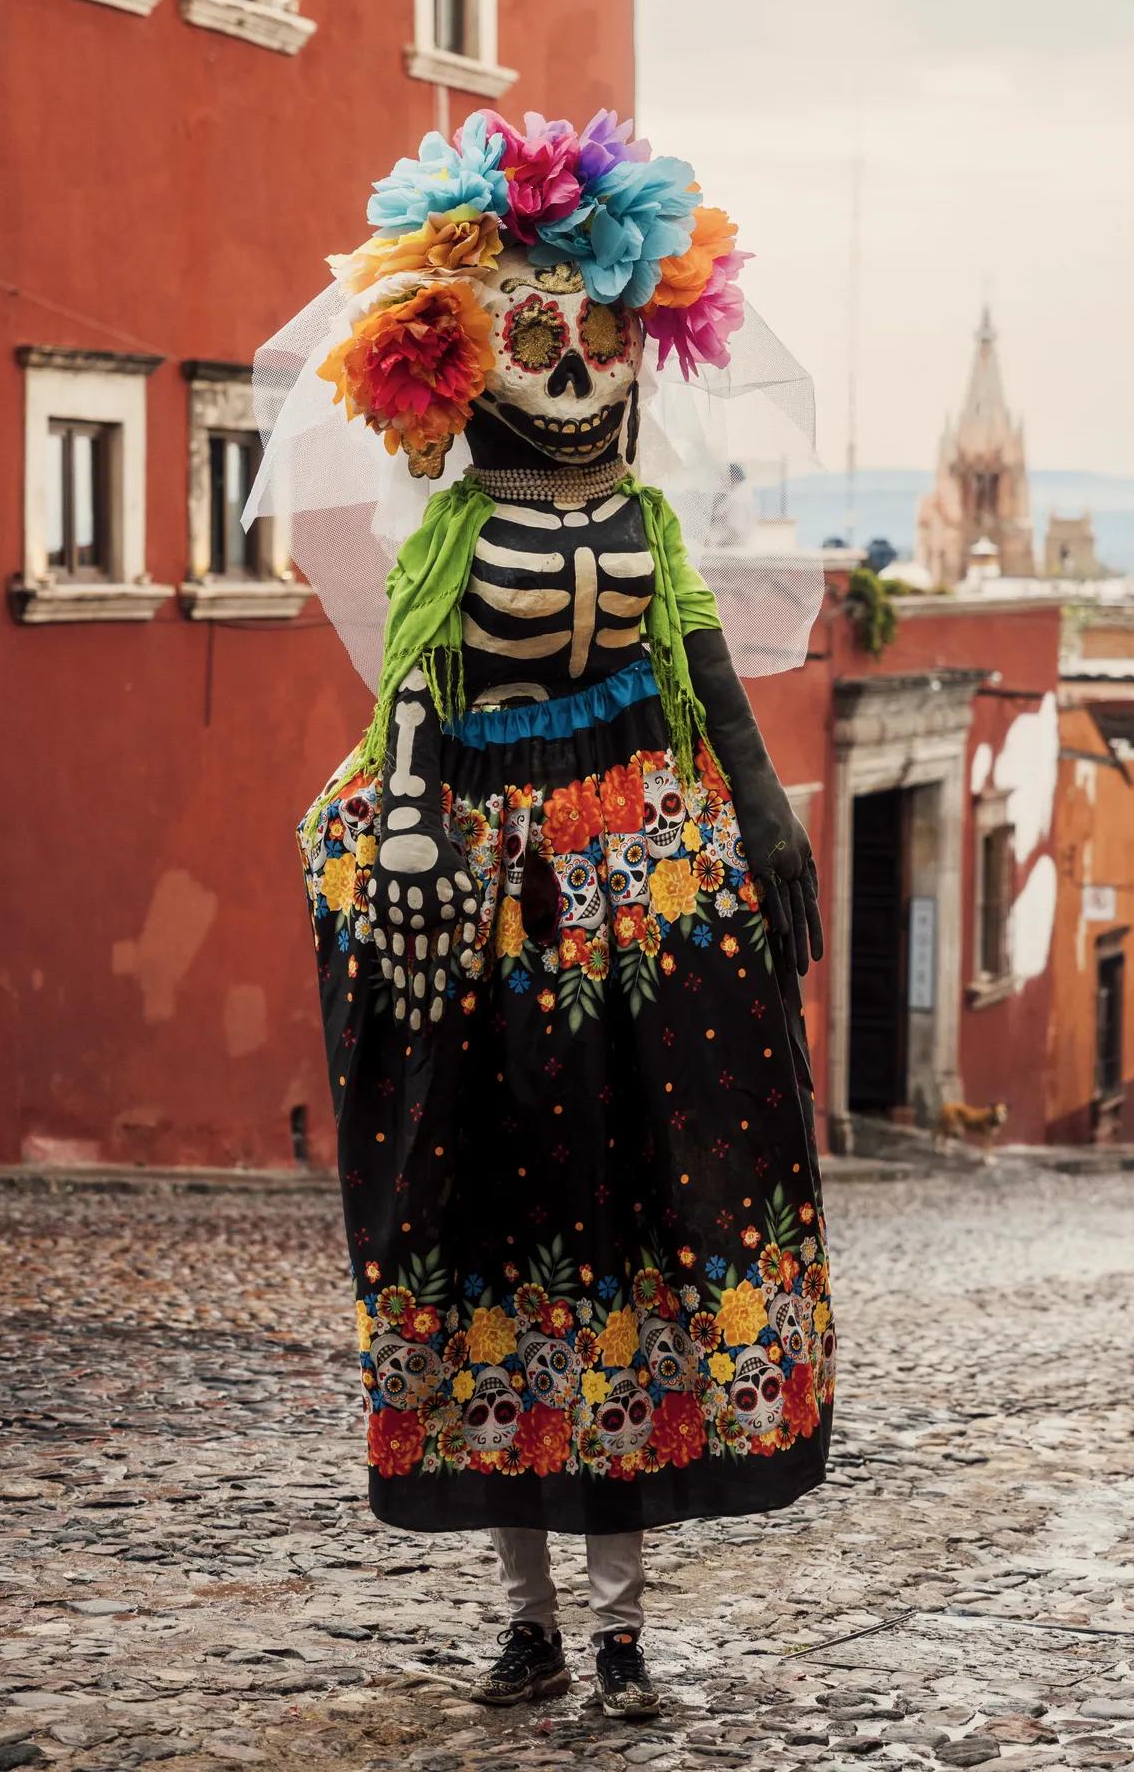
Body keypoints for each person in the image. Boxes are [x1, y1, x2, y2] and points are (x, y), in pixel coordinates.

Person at [257, 109, 836, 1721]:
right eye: (534, 332)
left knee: (649, 1230)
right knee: (493, 1233)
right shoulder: (452, 530)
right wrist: (403, 838)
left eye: (595, 328)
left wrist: (764, 806)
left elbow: (700, 650)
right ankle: (528, 1620)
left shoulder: (645, 527)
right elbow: (415, 696)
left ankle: (628, 1625)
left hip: (640, 895)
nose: (573, 363)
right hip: (501, 913)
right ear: (461, 354)